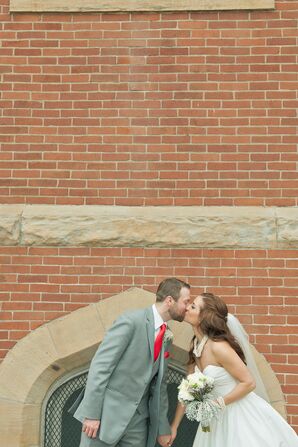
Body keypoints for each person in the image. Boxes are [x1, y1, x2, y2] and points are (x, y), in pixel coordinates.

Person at [69, 278, 191, 447]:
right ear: (170, 300)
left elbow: (160, 387)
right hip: (105, 418)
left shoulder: (167, 336)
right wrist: (91, 414)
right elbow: (101, 367)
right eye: (186, 301)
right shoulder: (131, 321)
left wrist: (162, 429)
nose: (187, 307)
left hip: (138, 424)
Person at [171, 292, 298, 447]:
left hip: (240, 415)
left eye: (193, 306)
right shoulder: (195, 346)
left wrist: (217, 404)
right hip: (216, 421)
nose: (187, 309)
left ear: (205, 316)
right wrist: (174, 427)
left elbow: (249, 383)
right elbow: (187, 390)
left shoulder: (219, 347)